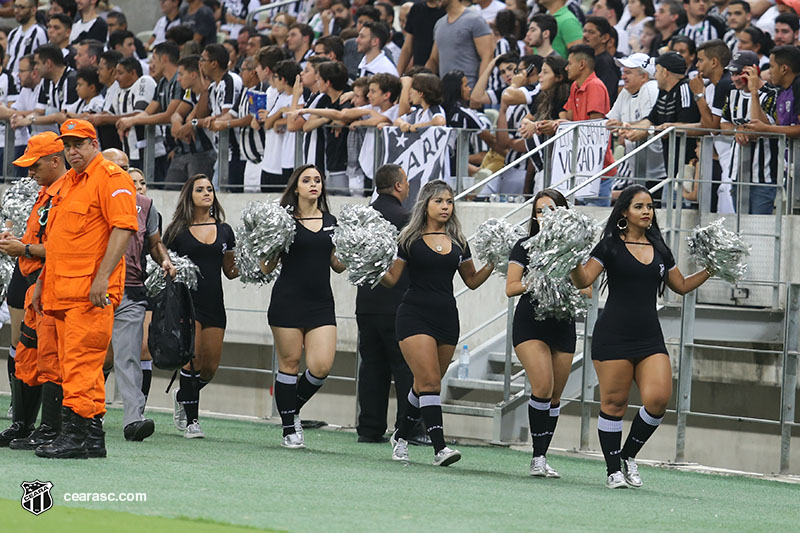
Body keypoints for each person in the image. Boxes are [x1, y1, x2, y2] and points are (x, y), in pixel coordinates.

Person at [570, 184, 712, 488]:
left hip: (650, 337)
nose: (647, 211)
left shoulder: (660, 248)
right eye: (639, 206)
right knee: (614, 403)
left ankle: (628, 455)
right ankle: (612, 471)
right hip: (614, 335)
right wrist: (569, 259)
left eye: (650, 206)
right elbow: (584, 279)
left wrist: (714, 268)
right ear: (624, 212)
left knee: (658, 399)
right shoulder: (608, 246)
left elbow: (682, 285)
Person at [32, 119, 138, 459]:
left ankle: (74, 437)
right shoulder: (69, 183)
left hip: (89, 292)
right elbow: (59, 240)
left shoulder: (111, 178)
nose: (72, 151)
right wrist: (42, 282)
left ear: (94, 143)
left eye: (79, 144)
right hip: (61, 290)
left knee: (79, 364)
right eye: (67, 145)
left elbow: (124, 228)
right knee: (79, 366)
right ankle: (92, 438)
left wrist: (102, 278)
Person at [381, 179, 495, 466]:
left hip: (446, 318)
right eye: (439, 201)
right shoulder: (408, 238)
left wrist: (495, 262)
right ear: (426, 204)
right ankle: (440, 448)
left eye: (449, 201)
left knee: (425, 384)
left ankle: (401, 437)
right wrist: (369, 266)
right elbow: (392, 278)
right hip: (413, 315)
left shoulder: (459, 241)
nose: (445, 206)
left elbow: (471, 281)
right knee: (430, 382)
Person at [259, 164, 346, 448]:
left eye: (318, 180)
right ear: (295, 187)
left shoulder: (332, 221)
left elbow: (337, 265)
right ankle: (289, 428)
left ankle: (290, 409)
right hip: (288, 300)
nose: (313, 184)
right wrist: (269, 242)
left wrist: (357, 251)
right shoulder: (282, 220)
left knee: (321, 366)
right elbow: (265, 265)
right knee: (290, 363)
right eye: (306, 180)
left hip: (321, 303)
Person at [506, 189, 578, 477]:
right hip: (531, 322)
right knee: (543, 387)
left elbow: (586, 288)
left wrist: (568, 281)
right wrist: (538, 281)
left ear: (562, 212)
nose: (544, 215)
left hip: (563, 322)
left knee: (556, 396)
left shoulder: (573, 249)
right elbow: (511, 287)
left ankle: (543, 455)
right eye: (539, 211)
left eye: (551, 209)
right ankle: (536, 458)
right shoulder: (524, 245)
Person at [0, 133, 65, 451]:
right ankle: (22, 425)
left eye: (34, 164)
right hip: (33, 287)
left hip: (54, 286)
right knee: (27, 356)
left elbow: (66, 248)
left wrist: (23, 247)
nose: (29, 171)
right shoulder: (45, 193)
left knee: (51, 359)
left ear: (56, 161)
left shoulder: (67, 194)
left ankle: (50, 429)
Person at [163, 174, 239, 438]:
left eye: (210, 189)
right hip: (186, 303)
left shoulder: (226, 230)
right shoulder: (176, 231)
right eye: (200, 189)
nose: (207, 193)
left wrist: (255, 261)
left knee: (209, 368)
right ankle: (193, 421)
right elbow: (163, 265)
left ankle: (183, 395)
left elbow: (230, 270)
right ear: (189, 196)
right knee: (192, 359)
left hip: (214, 304)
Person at [105, 150, 174, 442]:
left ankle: (134, 419)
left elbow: (155, 242)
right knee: (94, 357)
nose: (120, 173)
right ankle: (83, 413)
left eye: (124, 168)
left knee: (129, 356)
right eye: (115, 167)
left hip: (131, 289)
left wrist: (165, 260)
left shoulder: (146, 206)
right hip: (93, 289)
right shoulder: (92, 198)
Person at [355, 164, 415, 443]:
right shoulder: (406, 219)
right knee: (404, 368)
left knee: (371, 367)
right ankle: (407, 429)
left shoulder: (362, 217)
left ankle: (369, 428)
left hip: (366, 302)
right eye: (407, 181)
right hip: (398, 302)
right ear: (399, 186)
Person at [621, 51, 702, 198]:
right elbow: (651, 119)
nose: (655, 75)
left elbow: (685, 124)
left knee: (682, 209)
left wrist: (649, 131)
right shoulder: (663, 91)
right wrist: (632, 129)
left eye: (657, 71)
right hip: (670, 166)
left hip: (686, 166)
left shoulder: (684, 88)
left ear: (665, 72)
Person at [721, 51, 780, 215]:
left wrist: (754, 92)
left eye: (740, 73)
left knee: (759, 233)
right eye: (732, 73)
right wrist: (736, 129)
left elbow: (760, 127)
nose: (734, 78)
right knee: (740, 231)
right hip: (736, 175)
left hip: (763, 178)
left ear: (754, 71)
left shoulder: (772, 94)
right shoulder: (732, 92)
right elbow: (723, 124)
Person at [559, 44, 615, 205]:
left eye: (569, 63)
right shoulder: (575, 86)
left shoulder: (595, 86)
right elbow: (567, 115)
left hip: (598, 168)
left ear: (582, 64)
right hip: (580, 166)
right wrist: (560, 122)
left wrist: (566, 123)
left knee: (595, 222)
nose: (566, 68)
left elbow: (594, 131)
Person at [605, 53, 664, 192]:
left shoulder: (651, 88)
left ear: (643, 76)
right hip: (638, 169)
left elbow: (648, 125)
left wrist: (623, 126)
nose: (623, 76)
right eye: (623, 72)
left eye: (628, 72)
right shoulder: (626, 92)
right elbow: (609, 121)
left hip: (657, 172)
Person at [688, 39, 733, 212]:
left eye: (700, 60)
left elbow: (712, 127)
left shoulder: (725, 84)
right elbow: (707, 124)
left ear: (714, 62)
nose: (697, 65)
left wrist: (699, 95)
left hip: (733, 158)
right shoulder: (714, 87)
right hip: (723, 159)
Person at [425, 0, 493, 88]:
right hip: (446, 95)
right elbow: (433, 60)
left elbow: (488, 56)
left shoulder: (475, 20)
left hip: (469, 92)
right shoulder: (439, 24)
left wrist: (478, 92)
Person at [397, 0, 445, 74]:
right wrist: (397, 75)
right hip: (418, 71)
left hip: (439, 72)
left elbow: (434, 57)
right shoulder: (416, 9)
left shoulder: (445, 11)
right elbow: (407, 48)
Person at [583, 16, 621, 106]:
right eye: (584, 31)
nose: (585, 35)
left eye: (591, 32)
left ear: (605, 38)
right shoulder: (591, 59)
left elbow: (605, 96)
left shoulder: (606, 63)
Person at [6, 0, 47, 75]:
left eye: (21, 7)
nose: (16, 11)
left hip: (28, 82)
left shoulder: (39, 32)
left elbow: (43, 60)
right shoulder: (13, 33)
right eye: (15, 6)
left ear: (33, 10)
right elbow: (7, 58)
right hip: (11, 80)